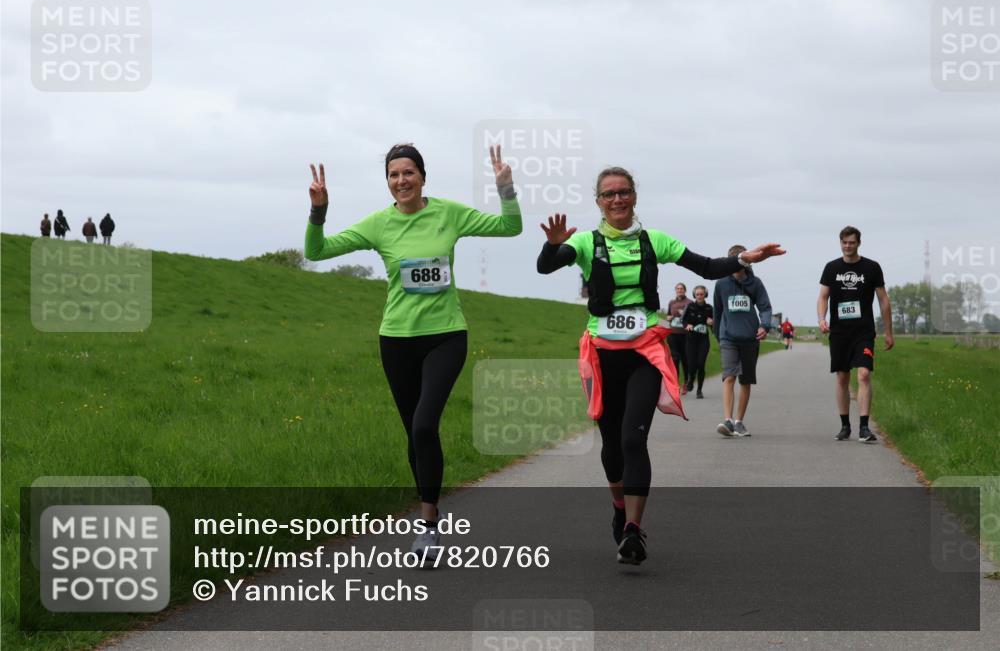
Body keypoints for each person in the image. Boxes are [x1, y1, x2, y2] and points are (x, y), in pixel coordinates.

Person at [537, 166, 784, 565]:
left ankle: (634, 530)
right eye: (609, 194)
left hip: (645, 354)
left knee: (633, 441)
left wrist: (742, 258)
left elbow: (706, 266)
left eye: (624, 192)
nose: (617, 199)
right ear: (599, 201)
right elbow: (545, 267)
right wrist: (552, 246)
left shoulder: (655, 241)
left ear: (634, 196)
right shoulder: (584, 242)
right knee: (612, 447)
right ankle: (619, 508)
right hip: (601, 356)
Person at [303, 144, 521, 561]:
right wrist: (319, 210)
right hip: (397, 339)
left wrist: (505, 189)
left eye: (408, 172)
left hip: (446, 336)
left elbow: (510, 227)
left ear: (422, 176)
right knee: (414, 435)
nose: (401, 180)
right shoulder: (379, 224)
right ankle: (430, 509)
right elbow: (317, 251)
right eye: (393, 174)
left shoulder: (448, 214)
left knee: (424, 426)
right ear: (387, 181)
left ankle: (428, 527)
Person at [817, 226, 894, 443]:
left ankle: (864, 427)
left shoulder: (871, 267)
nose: (848, 246)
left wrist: (888, 332)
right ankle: (845, 426)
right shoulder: (831, 268)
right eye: (844, 242)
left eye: (852, 242)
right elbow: (823, 296)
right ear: (840, 243)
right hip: (839, 332)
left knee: (864, 374)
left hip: (864, 331)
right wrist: (821, 318)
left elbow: (883, 300)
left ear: (859, 243)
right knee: (842, 377)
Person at [713, 245, 773, 439]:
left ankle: (739, 421)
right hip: (728, 338)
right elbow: (717, 311)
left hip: (750, 338)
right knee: (728, 377)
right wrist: (718, 335)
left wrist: (764, 325)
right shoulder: (721, 284)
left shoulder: (755, 283)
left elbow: (765, 307)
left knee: (745, 381)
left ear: (747, 261)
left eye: (740, 260)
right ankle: (728, 420)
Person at [682, 285, 714, 399]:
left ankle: (699, 390)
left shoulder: (709, 308)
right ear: (694, 295)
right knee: (691, 366)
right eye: (697, 294)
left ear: (705, 295)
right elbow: (683, 320)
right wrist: (687, 325)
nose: (699, 296)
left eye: (701, 294)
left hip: (703, 340)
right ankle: (691, 379)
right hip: (691, 340)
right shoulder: (689, 306)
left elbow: (714, 325)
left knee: (700, 364)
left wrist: (712, 323)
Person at [666, 283, 693, 394]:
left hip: (685, 334)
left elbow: (693, 317)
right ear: (675, 290)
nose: (679, 290)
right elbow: (668, 316)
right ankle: (675, 384)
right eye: (677, 289)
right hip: (673, 334)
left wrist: (685, 314)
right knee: (675, 359)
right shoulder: (671, 303)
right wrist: (669, 317)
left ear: (685, 290)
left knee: (685, 359)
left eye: (681, 288)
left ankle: (686, 382)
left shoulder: (690, 302)